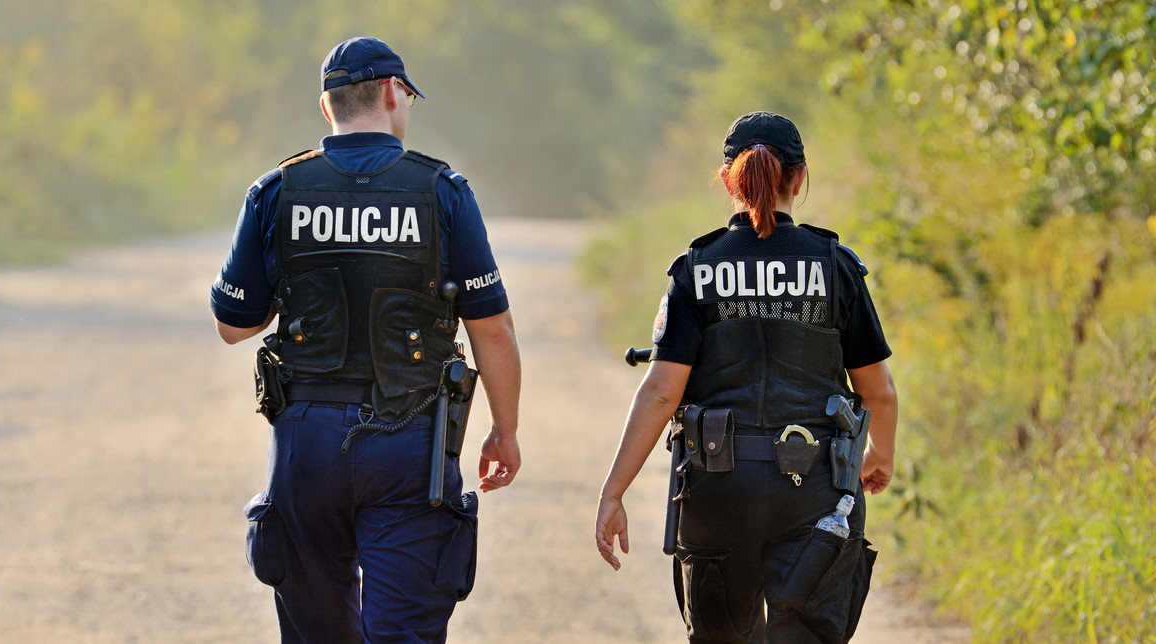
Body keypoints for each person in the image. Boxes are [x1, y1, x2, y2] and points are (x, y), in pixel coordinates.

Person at [209, 36, 522, 643]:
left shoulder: (275, 191)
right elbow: (492, 329)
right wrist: (504, 432)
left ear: (327, 107)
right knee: (403, 633)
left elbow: (233, 324)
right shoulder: (443, 191)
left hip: (306, 444)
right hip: (413, 443)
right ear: (390, 92)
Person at [595, 111, 897, 643]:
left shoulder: (697, 268)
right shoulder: (834, 266)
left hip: (717, 489)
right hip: (816, 492)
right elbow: (878, 392)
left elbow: (662, 391)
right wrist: (880, 456)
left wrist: (614, 490)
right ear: (799, 178)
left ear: (727, 178)